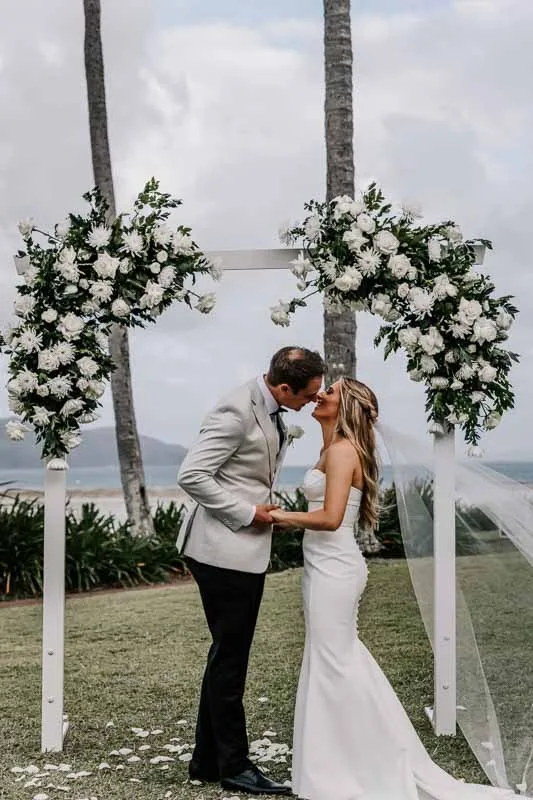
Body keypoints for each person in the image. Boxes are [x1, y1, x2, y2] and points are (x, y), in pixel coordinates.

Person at [270, 377, 515, 800]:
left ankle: (356, 760)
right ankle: (340, 755)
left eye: (328, 392)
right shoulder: (334, 447)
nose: (319, 395)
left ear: (344, 405)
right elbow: (328, 487)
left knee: (336, 662)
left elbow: (330, 519)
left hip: (334, 568)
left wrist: (277, 517)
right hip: (323, 568)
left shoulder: (344, 451)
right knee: (335, 658)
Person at [176, 346, 325, 796]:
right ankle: (235, 767)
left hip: (239, 550)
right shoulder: (235, 410)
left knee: (225, 653)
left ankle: (207, 761)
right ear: (283, 387)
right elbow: (192, 474)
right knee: (231, 660)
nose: (314, 401)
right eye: (309, 394)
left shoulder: (270, 405)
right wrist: (249, 512)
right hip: (222, 551)